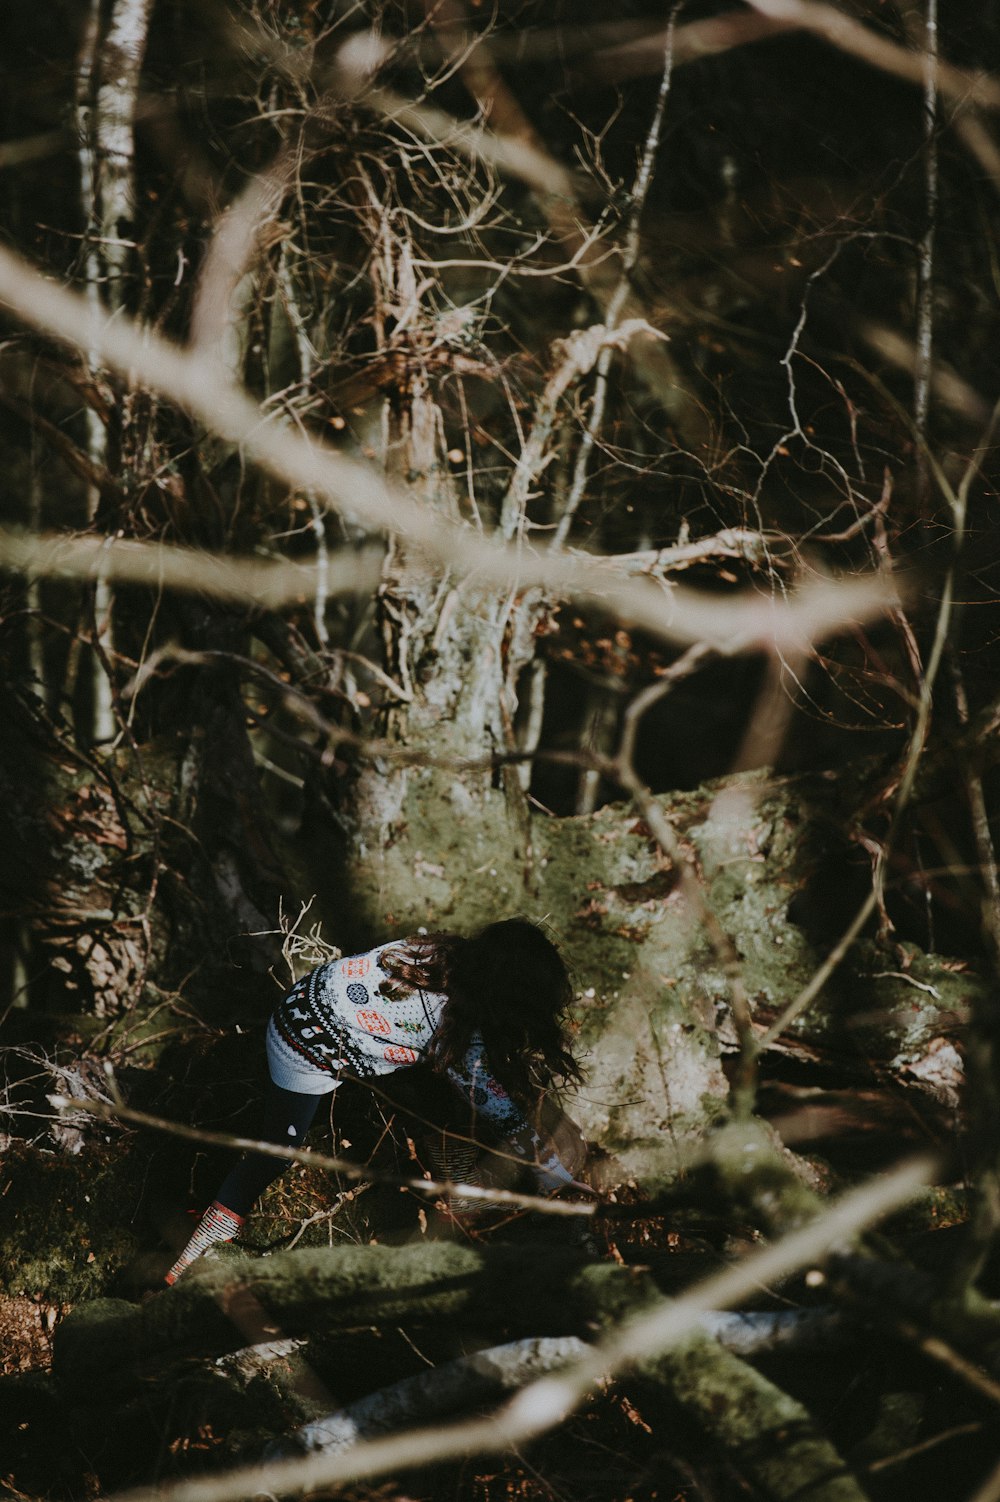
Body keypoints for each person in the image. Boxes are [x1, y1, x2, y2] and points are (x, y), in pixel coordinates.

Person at [164, 917, 586, 1283]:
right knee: (274, 1153)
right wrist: (551, 1174)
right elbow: (496, 1108)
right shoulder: (450, 1027)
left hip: (301, 999)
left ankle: (458, 1192)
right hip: (301, 1051)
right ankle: (195, 1252)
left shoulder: (435, 950)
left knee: (433, 1092)